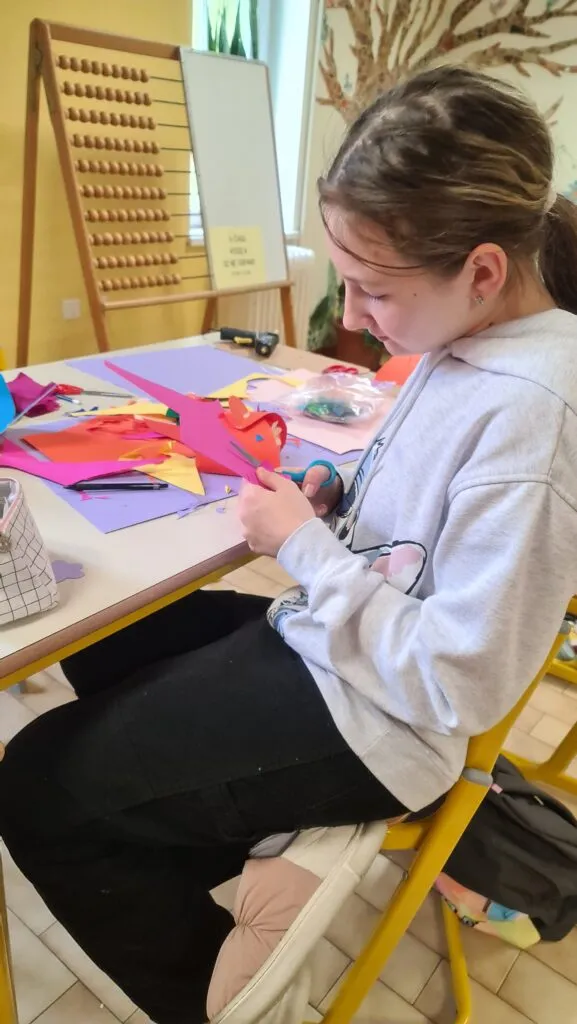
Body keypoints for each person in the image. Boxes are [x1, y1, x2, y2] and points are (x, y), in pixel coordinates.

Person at [2, 66, 577, 1024]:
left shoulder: (535, 417)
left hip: (383, 720)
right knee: (105, 635)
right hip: (335, 643)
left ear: (480, 271)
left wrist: (307, 549)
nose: (348, 318)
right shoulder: (468, 346)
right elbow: (426, 534)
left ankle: (208, 993)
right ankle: (180, 821)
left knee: (33, 790)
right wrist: (339, 507)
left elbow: (459, 683)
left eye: (371, 290)